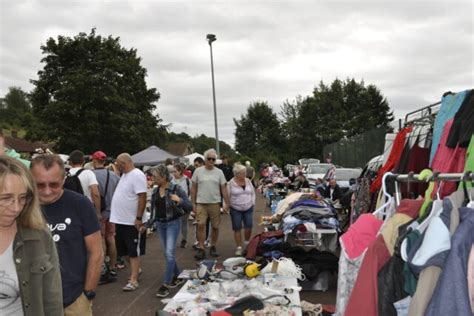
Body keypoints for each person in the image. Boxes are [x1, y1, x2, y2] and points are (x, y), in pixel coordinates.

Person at [30, 154, 103, 315]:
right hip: (33, 302)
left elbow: (96, 252)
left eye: (54, 184)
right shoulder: (21, 207)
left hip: (74, 299)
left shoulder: (81, 204)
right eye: (40, 185)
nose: (47, 191)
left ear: (64, 180)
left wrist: (87, 293)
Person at [0, 156, 63, 316]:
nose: (16, 208)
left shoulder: (39, 236)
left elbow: (52, 302)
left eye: (22, 198)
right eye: (6, 198)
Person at [146, 165, 191, 297]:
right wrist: (148, 224)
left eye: (156, 176)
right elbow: (154, 211)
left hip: (173, 224)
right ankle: (178, 276)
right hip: (160, 224)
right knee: (167, 254)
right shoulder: (155, 191)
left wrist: (180, 200)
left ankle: (165, 284)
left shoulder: (176, 188)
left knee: (169, 254)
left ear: (164, 176)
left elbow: (189, 205)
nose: (153, 178)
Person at [110, 153, 147, 292]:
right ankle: (136, 270)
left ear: (124, 162)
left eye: (118, 163)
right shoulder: (125, 174)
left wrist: (138, 218)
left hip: (131, 221)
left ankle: (134, 280)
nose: (117, 166)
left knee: (133, 251)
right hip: (120, 220)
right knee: (123, 251)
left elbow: (142, 196)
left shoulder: (136, 175)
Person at [191, 149, 230, 260]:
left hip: (215, 203)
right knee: (201, 225)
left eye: (213, 159)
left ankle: (213, 246)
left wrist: (227, 203)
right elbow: (193, 188)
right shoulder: (198, 171)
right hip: (201, 203)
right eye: (209, 159)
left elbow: (224, 188)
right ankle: (202, 248)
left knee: (215, 226)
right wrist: (193, 203)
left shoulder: (219, 172)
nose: (211, 161)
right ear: (205, 159)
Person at [91, 150, 121, 284]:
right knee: (111, 238)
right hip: (112, 212)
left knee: (101, 239)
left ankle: (102, 268)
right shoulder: (113, 175)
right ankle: (113, 267)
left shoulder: (91, 175)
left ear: (94, 161)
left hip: (99, 213)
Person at [227, 164, 256, 256]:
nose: (244, 174)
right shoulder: (230, 183)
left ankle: (247, 243)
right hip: (235, 208)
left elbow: (252, 192)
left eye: (245, 172)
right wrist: (226, 206)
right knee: (237, 227)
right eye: (242, 173)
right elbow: (227, 196)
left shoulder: (248, 181)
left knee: (249, 226)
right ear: (236, 174)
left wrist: (253, 202)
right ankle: (239, 247)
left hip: (248, 207)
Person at [67, 150, 101, 219]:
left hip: (70, 209)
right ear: (83, 161)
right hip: (86, 208)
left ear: (70, 162)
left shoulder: (65, 174)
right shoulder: (89, 173)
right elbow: (95, 194)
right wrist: (98, 212)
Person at [171, 163, 192, 248]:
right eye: (172, 171)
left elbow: (191, 191)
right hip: (173, 205)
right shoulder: (171, 180)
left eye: (175, 171)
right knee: (174, 223)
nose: (173, 173)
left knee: (183, 222)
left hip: (184, 204)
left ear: (180, 171)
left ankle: (184, 239)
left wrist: (189, 202)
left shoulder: (187, 180)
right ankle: (173, 240)